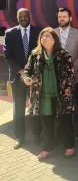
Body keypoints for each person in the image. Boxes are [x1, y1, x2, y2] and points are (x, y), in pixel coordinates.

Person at [21, 27, 76, 160]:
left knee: (64, 121)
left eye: (47, 36)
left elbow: (71, 75)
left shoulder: (64, 54)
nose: (44, 38)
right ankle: (47, 148)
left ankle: (70, 146)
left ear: (54, 39)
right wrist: (26, 78)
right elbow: (26, 71)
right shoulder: (35, 54)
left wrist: (68, 90)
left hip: (61, 95)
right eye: (42, 36)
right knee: (46, 122)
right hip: (42, 95)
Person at [3, 8, 42, 149]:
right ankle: (20, 137)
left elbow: (41, 53)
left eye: (26, 16)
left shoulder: (39, 32)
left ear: (30, 17)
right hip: (17, 76)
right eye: (21, 16)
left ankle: (38, 135)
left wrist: (33, 72)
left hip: (34, 77)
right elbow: (7, 55)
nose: (24, 18)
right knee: (18, 108)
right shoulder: (10, 33)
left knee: (36, 107)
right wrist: (21, 71)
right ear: (17, 18)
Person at [54, 7, 78, 143]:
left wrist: (70, 70)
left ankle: (76, 134)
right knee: (58, 106)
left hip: (75, 77)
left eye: (64, 16)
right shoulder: (52, 33)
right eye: (60, 17)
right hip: (56, 78)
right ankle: (60, 134)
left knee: (75, 107)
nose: (62, 19)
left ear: (70, 18)